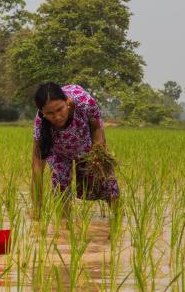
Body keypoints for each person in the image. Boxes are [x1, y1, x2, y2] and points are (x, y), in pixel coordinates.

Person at [31, 82, 119, 216]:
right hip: (59, 153)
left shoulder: (84, 102)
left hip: (87, 146)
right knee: (60, 187)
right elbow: (37, 166)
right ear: (43, 113)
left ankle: (119, 219)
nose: (57, 116)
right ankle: (65, 228)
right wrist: (37, 209)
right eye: (50, 113)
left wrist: (98, 156)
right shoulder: (40, 123)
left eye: (60, 109)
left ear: (67, 102)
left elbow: (96, 128)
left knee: (106, 182)